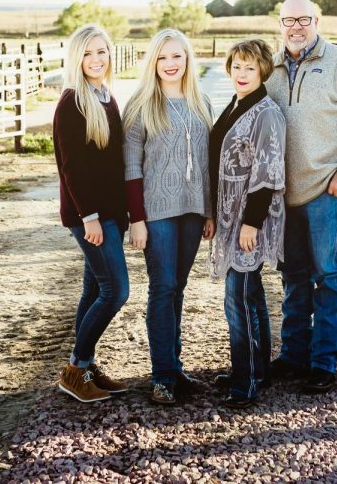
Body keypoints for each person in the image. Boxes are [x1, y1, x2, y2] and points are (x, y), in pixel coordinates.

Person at [265, 0, 337, 393]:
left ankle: (324, 362)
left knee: (326, 276)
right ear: (279, 24)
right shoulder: (273, 67)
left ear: (318, 20)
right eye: (287, 20)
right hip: (283, 194)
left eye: (303, 19)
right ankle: (293, 356)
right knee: (293, 278)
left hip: (325, 190)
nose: (295, 27)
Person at [122, 28, 215, 405]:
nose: (170, 64)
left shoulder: (202, 101)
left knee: (178, 287)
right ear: (153, 62)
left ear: (187, 59)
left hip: (193, 211)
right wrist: (136, 218)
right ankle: (161, 376)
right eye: (162, 58)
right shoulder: (142, 105)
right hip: (157, 213)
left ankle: (175, 368)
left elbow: (208, 163)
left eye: (177, 56)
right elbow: (131, 167)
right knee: (162, 288)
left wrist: (209, 211)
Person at [52, 24, 130, 403]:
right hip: (90, 217)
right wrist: (90, 218)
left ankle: (84, 364)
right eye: (88, 53)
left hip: (109, 213)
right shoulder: (73, 101)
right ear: (76, 58)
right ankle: (76, 368)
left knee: (95, 288)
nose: (96, 59)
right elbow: (73, 168)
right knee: (116, 292)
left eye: (102, 51)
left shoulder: (106, 97)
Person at [209, 39, 286, 409]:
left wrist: (251, 224)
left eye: (250, 69)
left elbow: (268, 173)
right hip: (230, 217)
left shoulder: (266, 113)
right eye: (236, 67)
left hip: (248, 219)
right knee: (249, 294)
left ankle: (245, 381)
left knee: (236, 300)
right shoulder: (237, 104)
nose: (241, 74)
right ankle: (259, 369)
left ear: (263, 72)